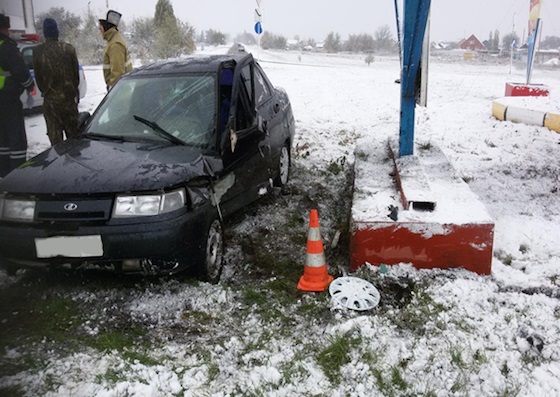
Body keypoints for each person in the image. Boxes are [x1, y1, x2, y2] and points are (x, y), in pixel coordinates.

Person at [33, 18, 80, 145]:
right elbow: (76, 77)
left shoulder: (38, 52)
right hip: (69, 102)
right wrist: (73, 92)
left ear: (45, 33)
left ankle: (58, 165)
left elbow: (39, 81)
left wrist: (49, 92)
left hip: (51, 103)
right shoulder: (69, 49)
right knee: (74, 141)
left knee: (56, 145)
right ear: (57, 32)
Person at [0, 14, 35, 177]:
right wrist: (30, 85)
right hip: (8, 101)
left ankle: (3, 174)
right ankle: (17, 177)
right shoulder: (6, 46)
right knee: (16, 142)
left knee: (2, 142)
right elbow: (21, 72)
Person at [98, 10, 132, 90]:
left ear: (106, 25)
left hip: (120, 92)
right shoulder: (113, 40)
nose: (99, 27)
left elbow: (118, 74)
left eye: (100, 24)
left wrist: (113, 92)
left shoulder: (115, 44)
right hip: (122, 90)